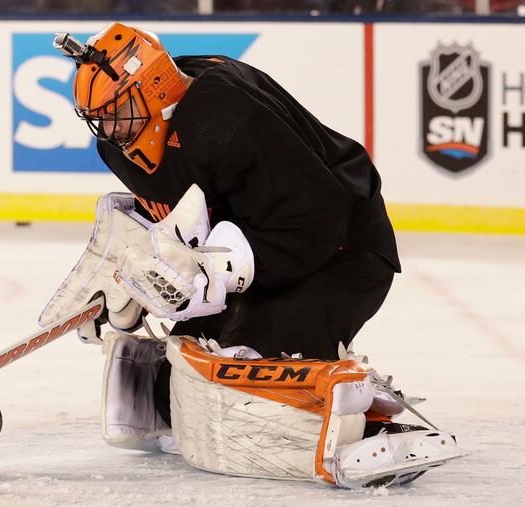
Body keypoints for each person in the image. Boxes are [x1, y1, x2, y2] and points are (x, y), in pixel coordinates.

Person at [43, 23, 464, 488]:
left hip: (341, 254)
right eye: (99, 117)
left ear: (156, 88)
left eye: (118, 111)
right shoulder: (122, 145)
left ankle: (374, 419)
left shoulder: (222, 118)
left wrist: (218, 271)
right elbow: (172, 221)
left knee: (246, 367)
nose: (110, 130)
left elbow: (319, 218)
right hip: (263, 256)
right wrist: (129, 284)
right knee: (187, 372)